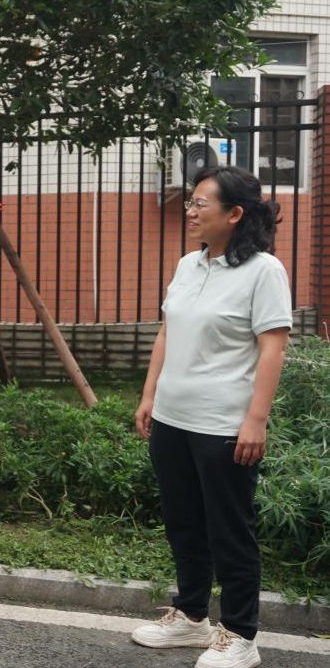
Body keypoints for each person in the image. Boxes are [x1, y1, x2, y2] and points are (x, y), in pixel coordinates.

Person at [131, 166, 290, 668]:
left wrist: (256, 419)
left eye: (201, 203)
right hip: (173, 418)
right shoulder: (188, 265)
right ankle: (192, 615)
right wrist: (149, 395)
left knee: (229, 530)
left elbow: (272, 347)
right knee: (184, 523)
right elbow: (167, 332)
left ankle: (240, 634)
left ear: (235, 213)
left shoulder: (264, 271)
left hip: (222, 423)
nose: (191, 211)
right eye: (191, 202)